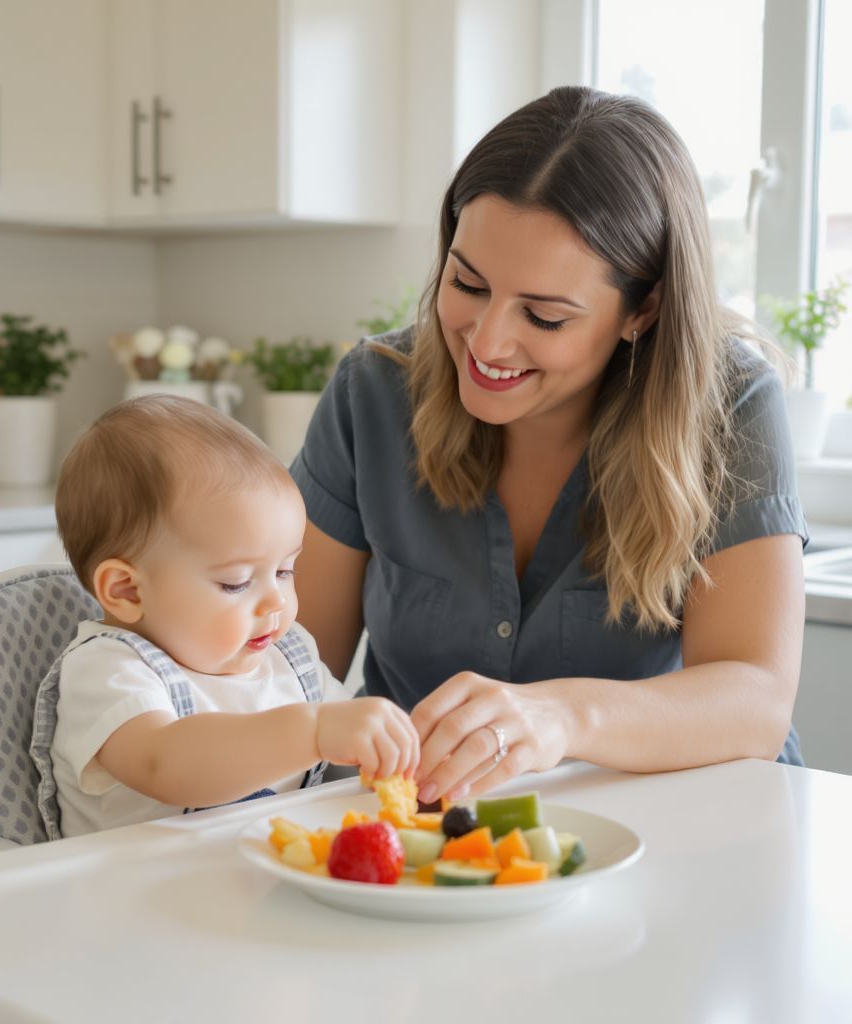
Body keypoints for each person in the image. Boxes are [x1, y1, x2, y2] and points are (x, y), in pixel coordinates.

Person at [291, 86, 807, 806]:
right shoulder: (372, 395)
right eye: (467, 283)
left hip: (679, 836)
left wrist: (562, 716)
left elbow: (754, 699)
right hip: (431, 852)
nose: (488, 340)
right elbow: (283, 672)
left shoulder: (729, 406)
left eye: (544, 315)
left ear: (644, 309)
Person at [46, 395, 419, 837]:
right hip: (126, 894)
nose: (275, 602)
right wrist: (314, 730)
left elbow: (347, 753)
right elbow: (167, 764)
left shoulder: (289, 660)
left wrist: (389, 749)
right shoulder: (108, 670)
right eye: (237, 583)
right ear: (127, 590)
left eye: (284, 570)